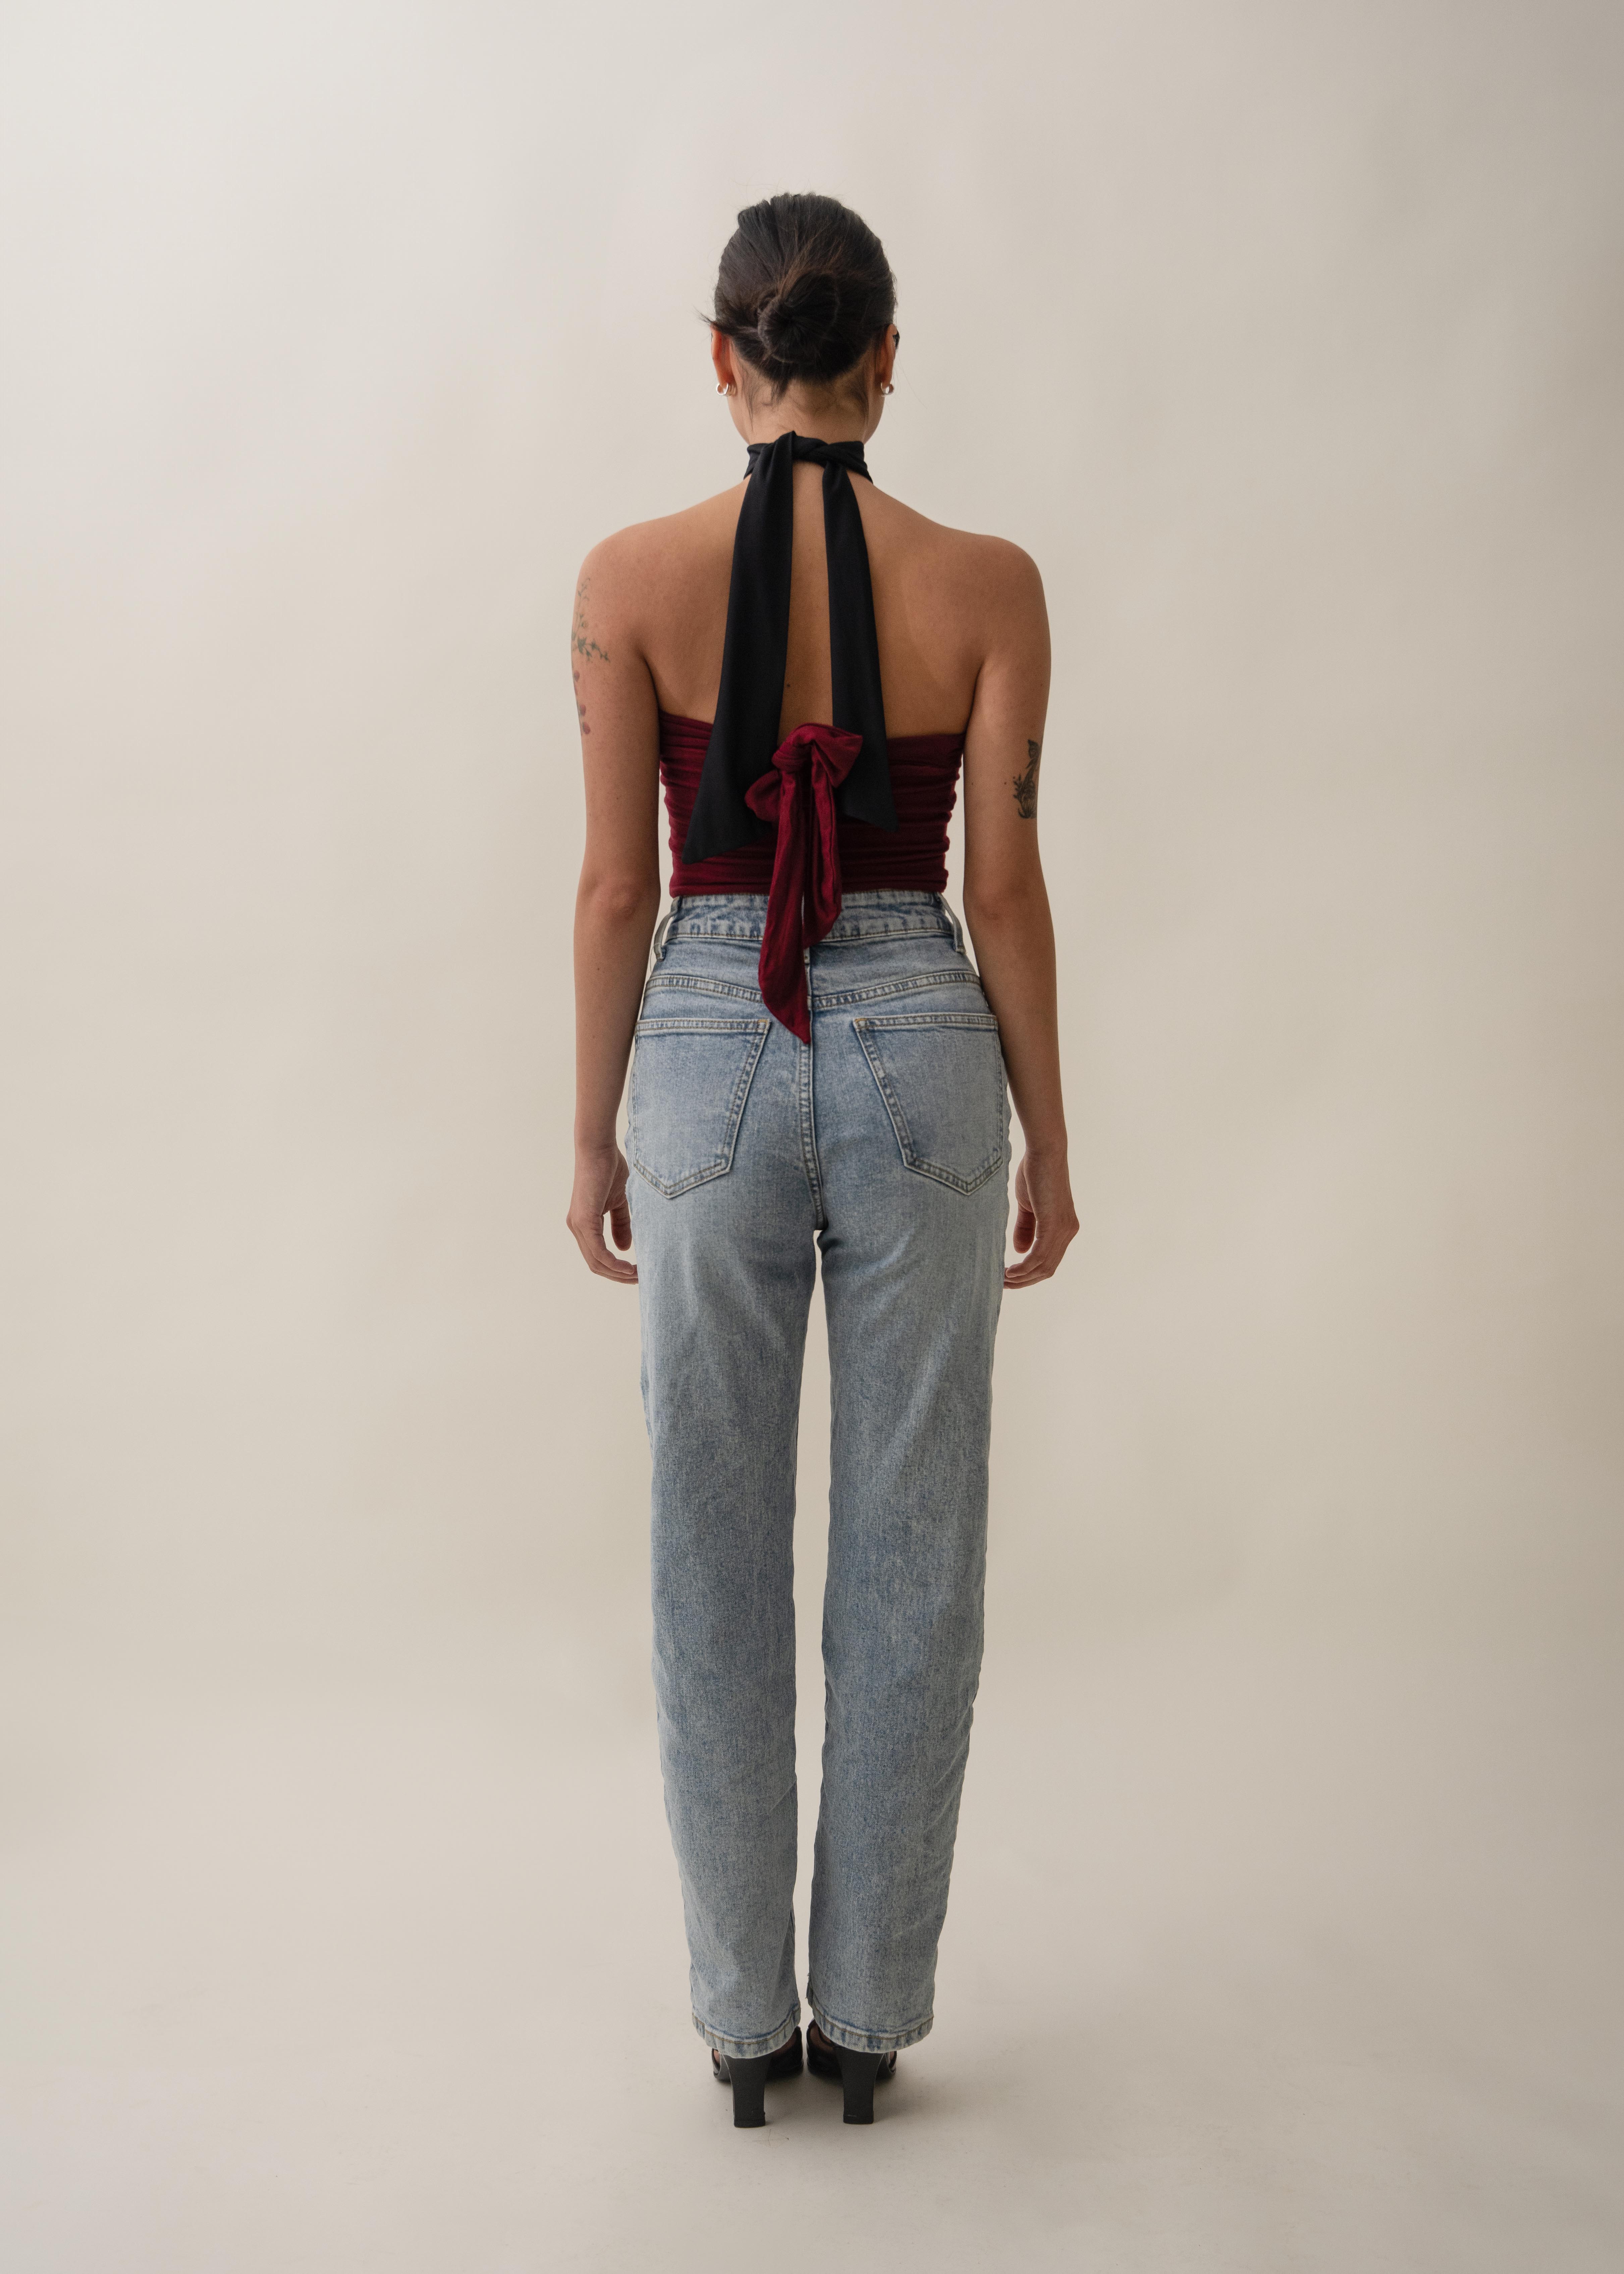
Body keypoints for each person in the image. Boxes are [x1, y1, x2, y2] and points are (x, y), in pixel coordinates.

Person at [567, 192, 1076, 2128]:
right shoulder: (992, 586)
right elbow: (1003, 889)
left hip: (704, 1039)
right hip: (923, 1037)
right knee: (915, 1536)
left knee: (709, 1545)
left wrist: (592, 1130)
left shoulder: (629, 578)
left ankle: (736, 2025)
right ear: (885, 360)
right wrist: (1050, 1135)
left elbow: (618, 887)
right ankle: (868, 2021)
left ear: (724, 359)